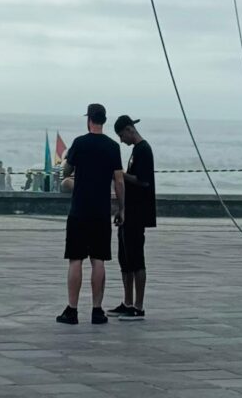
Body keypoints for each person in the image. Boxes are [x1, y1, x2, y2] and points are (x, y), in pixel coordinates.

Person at [57, 103, 124, 326]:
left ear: (89, 120)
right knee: (99, 260)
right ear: (104, 120)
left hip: (79, 210)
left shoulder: (79, 143)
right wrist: (121, 208)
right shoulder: (113, 147)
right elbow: (119, 180)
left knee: (75, 259)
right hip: (101, 211)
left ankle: (72, 310)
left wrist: (69, 161)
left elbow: (66, 171)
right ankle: (97, 310)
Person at [112, 115, 156, 316]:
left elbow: (143, 181)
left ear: (130, 130)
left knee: (137, 258)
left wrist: (120, 174)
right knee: (125, 258)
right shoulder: (135, 151)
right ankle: (127, 301)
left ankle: (138, 305)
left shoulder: (144, 150)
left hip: (139, 212)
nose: (122, 140)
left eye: (122, 135)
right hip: (128, 211)